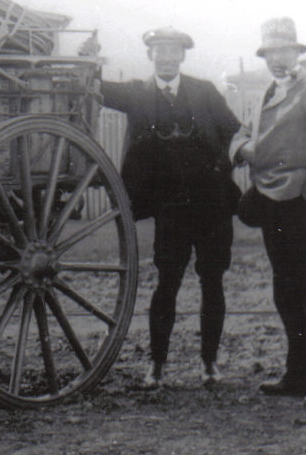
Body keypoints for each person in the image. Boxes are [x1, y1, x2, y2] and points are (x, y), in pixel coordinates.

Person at [100, 28, 242, 388]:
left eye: (173, 51)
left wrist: (220, 165)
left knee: (213, 283)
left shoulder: (205, 92)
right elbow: (96, 88)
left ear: (182, 56)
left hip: (212, 205)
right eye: (159, 51)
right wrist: (88, 58)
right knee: (167, 284)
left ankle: (209, 364)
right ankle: (157, 367)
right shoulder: (137, 93)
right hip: (171, 209)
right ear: (150, 56)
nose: (166, 57)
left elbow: (233, 131)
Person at [230, 18, 306, 409]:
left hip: (301, 207)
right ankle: (298, 375)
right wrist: (243, 150)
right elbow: (241, 134)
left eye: (284, 52)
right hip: (271, 205)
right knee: (286, 292)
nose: (277, 61)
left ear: (297, 53)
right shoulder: (266, 93)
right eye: (270, 54)